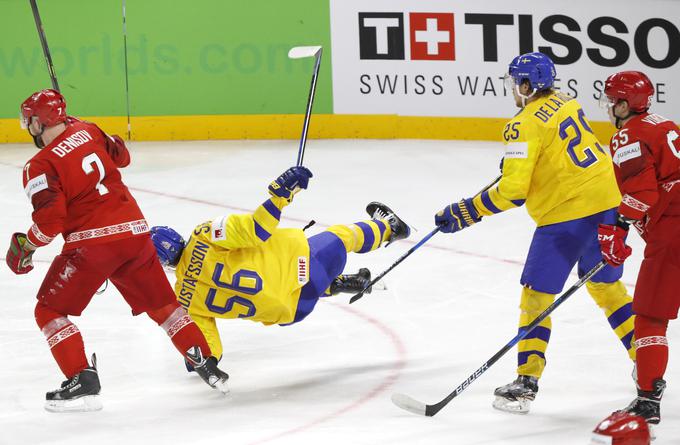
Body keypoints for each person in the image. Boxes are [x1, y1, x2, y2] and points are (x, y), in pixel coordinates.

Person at [433, 52, 636, 414]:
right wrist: (523, 160)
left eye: (516, 83)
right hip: (608, 202)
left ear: (527, 86)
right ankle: (647, 362)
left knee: (536, 297)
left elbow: (512, 192)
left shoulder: (521, 125)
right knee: (607, 287)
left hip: (566, 215)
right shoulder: (566, 101)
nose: (513, 89)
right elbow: (560, 151)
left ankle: (526, 382)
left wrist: (467, 211)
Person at [5, 89, 228, 413]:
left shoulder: (38, 165)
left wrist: (26, 245)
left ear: (39, 122)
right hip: (136, 234)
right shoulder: (90, 130)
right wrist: (85, 130)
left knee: (49, 312)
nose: (28, 128)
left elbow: (51, 221)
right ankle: (207, 364)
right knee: (165, 307)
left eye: (30, 122)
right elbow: (122, 156)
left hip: (92, 243)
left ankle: (82, 379)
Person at [150, 165, 410, 363]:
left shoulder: (185, 299)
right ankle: (390, 227)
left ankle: (337, 284)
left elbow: (208, 350)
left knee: (286, 285)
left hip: (291, 312)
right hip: (304, 268)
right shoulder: (204, 235)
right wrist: (280, 195)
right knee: (342, 237)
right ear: (177, 236)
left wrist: (200, 361)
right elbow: (258, 229)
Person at [594, 71, 680, 431]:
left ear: (626, 104)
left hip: (672, 233)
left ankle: (647, 401)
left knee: (648, 316)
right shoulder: (665, 124)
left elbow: (643, 194)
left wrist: (617, 225)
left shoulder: (628, 135)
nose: (610, 107)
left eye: (613, 100)